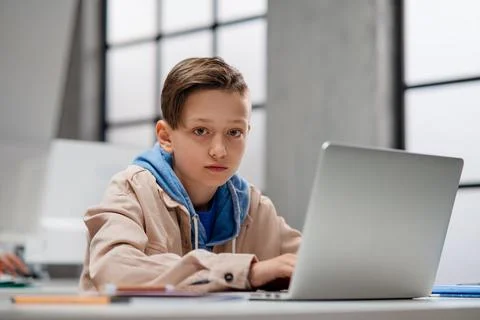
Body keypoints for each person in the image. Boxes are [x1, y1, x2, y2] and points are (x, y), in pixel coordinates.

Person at [80, 57, 301, 293]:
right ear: (166, 137)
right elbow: (114, 271)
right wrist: (246, 272)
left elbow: (318, 264)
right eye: (201, 131)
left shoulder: (254, 207)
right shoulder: (130, 190)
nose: (219, 150)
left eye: (234, 132)